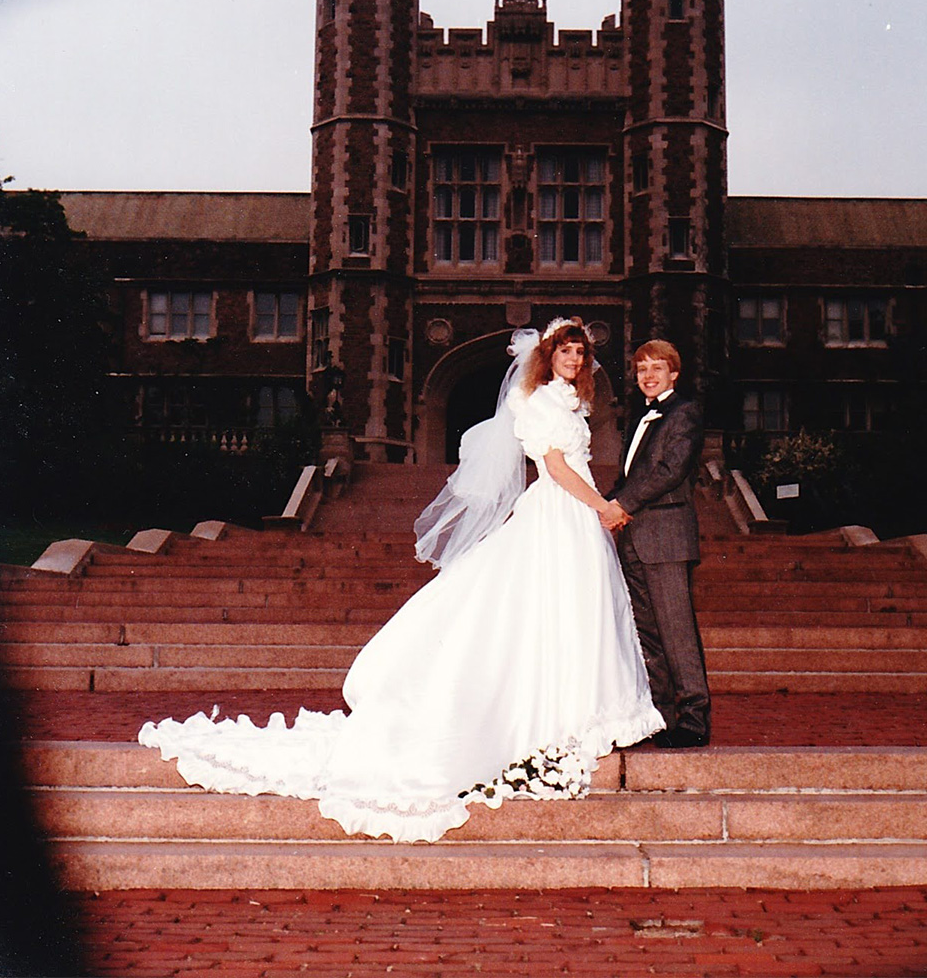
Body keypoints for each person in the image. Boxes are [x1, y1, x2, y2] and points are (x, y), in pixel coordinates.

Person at [139, 318, 663, 843]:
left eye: (579, 353)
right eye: (565, 352)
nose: (573, 360)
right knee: (553, 606)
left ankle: (581, 710)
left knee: (578, 612)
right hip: (561, 509)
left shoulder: (574, 401)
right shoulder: (541, 403)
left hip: (577, 515)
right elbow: (556, 466)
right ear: (547, 357)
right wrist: (603, 507)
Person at [602, 340, 710, 748]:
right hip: (634, 536)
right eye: (642, 369)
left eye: (657, 369)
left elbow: (670, 470)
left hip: (666, 539)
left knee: (677, 631)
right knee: (647, 632)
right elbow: (631, 476)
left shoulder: (684, 413)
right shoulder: (641, 418)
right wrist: (607, 506)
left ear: (674, 374)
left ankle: (695, 719)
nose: (648, 376)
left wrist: (620, 504)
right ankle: (661, 716)